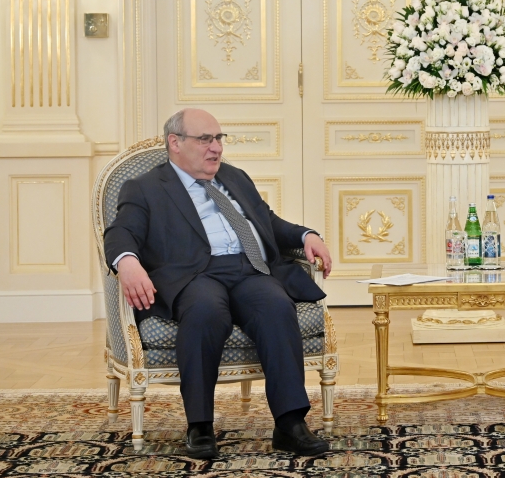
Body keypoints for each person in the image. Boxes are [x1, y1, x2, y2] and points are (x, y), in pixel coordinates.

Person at [104, 108, 333, 459]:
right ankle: (200, 426)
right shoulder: (145, 187)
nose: (216, 148)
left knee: (275, 306)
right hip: (195, 274)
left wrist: (306, 234)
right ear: (175, 143)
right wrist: (128, 261)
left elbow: (267, 222)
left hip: (249, 268)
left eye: (218, 138)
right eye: (205, 139)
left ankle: (290, 424)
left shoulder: (234, 177)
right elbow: (121, 232)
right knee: (205, 312)